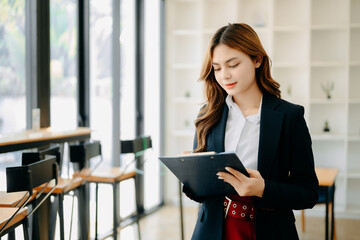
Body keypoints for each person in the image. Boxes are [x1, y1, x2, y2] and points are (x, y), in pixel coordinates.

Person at [183, 23, 319, 240]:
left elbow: (309, 193)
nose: (224, 75)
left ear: (257, 60)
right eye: (217, 68)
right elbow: (200, 195)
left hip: (268, 231)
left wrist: (263, 188)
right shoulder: (208, 114)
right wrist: (193, 175)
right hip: (211, 231)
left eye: (233, 64)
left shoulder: (289, 116)